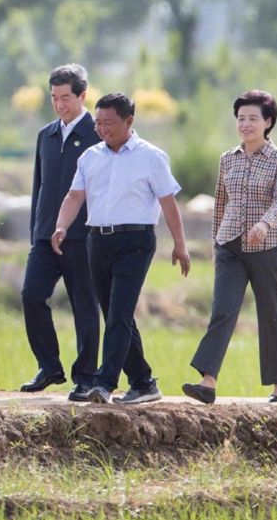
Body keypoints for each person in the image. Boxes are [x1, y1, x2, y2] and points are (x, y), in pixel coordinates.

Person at [52, 92, 190, 404]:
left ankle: (104, 383)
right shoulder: (90, 157)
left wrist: (180, 244)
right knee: (116, 314)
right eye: (98, 122)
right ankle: (143, 382)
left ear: (129, 121)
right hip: (97, 241)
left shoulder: (151, 156)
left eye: (109, 123)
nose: (101, 128)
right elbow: (75, 196)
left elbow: (168, 202)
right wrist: (61, 225)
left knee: (119, 314)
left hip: (135, 242)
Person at [183, 90, 277, 405]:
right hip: (230, 246)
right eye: (241, 118)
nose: (245, 124)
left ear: (268, 122)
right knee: (222, 310)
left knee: (271, 313)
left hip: (268, 247)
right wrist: (216, 245)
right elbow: (220, 203)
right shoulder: (227, 159)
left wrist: (265, 223)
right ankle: (207, 381)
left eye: (252, 118)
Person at [18, 64, 101, 401]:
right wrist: (38, 229)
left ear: (82, 95)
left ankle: (85, 376)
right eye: (54, 97)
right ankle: (49, 365)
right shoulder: (46, 135)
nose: (60, 104)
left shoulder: (99, 134)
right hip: (45, 235)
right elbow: (39, 186)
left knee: (84, 305)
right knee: (31, 294)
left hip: (82, 237)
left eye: (66, 97)